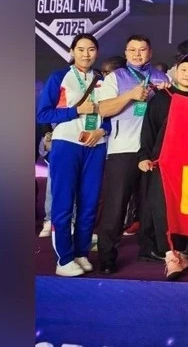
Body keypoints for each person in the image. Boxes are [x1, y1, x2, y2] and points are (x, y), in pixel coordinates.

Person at [95, 35, 171, 274]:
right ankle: (107, 256)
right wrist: (130, 95)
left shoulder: (162, 78)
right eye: (133, 50)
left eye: (142, 49)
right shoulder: (115, 77)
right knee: (116, 205)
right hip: (123, 149)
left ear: (151, 52)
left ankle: (148, 248)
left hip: (153, 151)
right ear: (126, 53)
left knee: (149, 204)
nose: (138, 54)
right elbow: (103, 110)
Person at [36, 34, 111, 277]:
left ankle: (81, 253)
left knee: (89, 204)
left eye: (91, 49)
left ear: (97, 52)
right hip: (66, 143)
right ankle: (64, 259)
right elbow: (43, 114)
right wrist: (76, 110)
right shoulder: (59, 77)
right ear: (72, 51)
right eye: (81, 49)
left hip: (96, 145)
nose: (86, 54)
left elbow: (111, 114)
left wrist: (102, 130)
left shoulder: (104, 80)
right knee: (64, 203)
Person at [137, 53, 188, 280]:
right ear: (176, 72)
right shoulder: (161, 98)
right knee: (162, 208)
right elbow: (149, 129)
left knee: (184, 208)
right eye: (184, 70)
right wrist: (144, 156)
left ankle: (181, 252)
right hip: (162, 163)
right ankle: (170, 256)